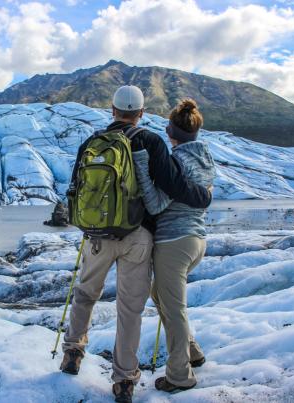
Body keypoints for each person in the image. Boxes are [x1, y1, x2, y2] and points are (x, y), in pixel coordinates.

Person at [60, 86, 213, 403]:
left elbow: (75, 188)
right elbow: (173, 185)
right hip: (138, 237)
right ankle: (124, 381)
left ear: (112, 110)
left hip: (97, 236)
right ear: (141, 113)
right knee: (129, 310)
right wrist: (203, 197)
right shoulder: (151, 140)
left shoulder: (92, 143)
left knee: (86, 293)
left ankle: (73, 350)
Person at [134, 99, 216, 393]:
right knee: (161, 296)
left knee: (175, 309)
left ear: (170, 130)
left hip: (173, 244)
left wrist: (143, 167)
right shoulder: (206, 157)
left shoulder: (177, 162)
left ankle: (180, 376)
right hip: (197, 241)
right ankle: (192, 350)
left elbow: (156, 205)